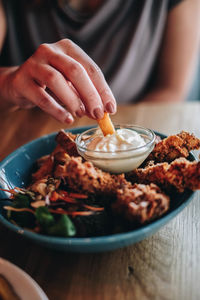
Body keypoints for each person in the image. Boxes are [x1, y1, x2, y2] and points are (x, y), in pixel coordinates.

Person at [0, 0, 199, 124]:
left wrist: (122, 141)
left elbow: (170, 89)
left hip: (140, 125)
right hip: (20, 135)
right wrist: (8, 84)